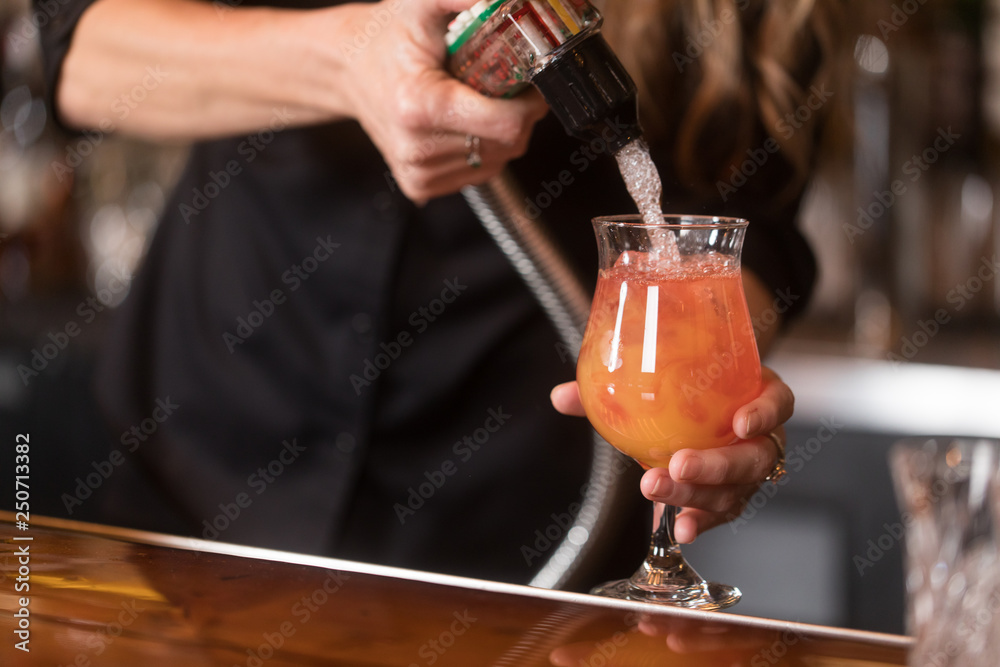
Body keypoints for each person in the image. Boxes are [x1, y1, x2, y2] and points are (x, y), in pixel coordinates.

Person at [36, 0, 842, 586]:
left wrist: (708, 386)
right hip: (191, 481)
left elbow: (751, 221)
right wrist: (348, 57)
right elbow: (73, 49)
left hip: (519, 532)